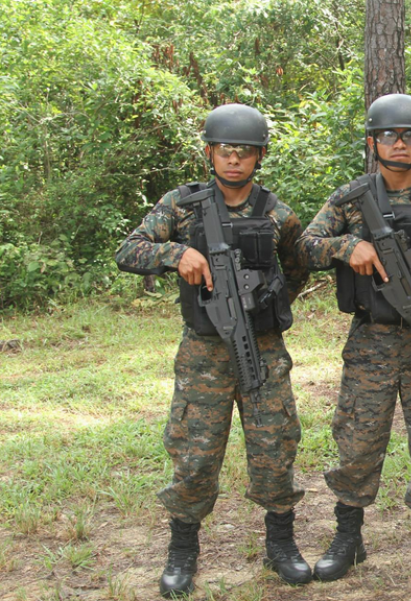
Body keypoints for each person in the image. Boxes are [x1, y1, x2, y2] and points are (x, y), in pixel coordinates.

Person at [115, 104, 312, 597]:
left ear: (259, 156)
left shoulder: (275, 212)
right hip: (204, 352)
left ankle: (281, 544)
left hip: (263, 350)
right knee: (195, 454)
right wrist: (175, 252)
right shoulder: (181, 205)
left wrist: (267, 304)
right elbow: (129, 250)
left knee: (274, 446)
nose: (235, 160)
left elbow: (299, 263)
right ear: (209, 152)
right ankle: (183, 551)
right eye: (226, 150)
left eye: (245, 152)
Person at [297, 93, 411, 581]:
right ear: (373, 140)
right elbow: (305, 247)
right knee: (358, 440)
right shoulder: (350, 197)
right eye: (389, 135)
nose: (399, 144)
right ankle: (348, 536)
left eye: (409, 136)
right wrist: (347, 246)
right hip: (372, 340)